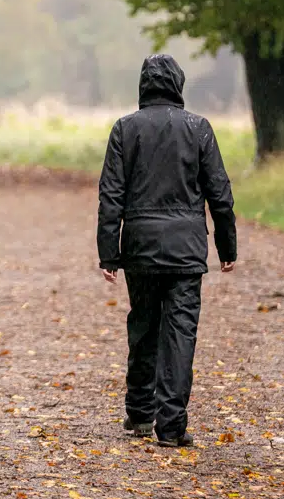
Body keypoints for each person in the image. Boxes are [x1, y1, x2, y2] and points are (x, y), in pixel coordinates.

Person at [96, 53, 237, 448]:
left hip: (140, 247)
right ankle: (171, 426)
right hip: (186, 250)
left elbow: (111, 196)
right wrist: (226, 246)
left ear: (143, 85)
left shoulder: (125, 129)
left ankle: (140, 413)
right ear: (178, 84)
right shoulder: (199, 128)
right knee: (180, 333)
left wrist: (109, 252)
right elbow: (220, 195)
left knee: (143, 324)